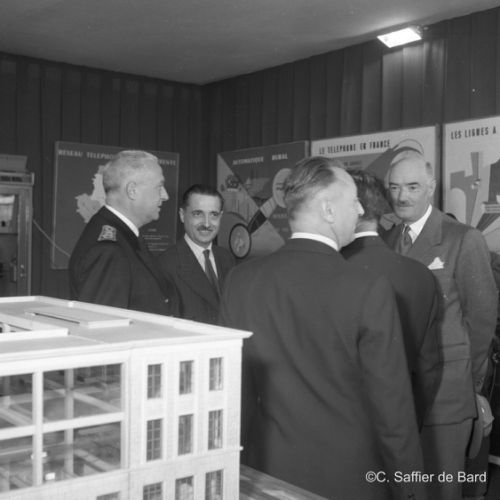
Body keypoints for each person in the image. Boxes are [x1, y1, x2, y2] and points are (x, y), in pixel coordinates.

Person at [220, 157, 426, 500]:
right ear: (329, 210)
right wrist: (411, 492)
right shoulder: (367, 288)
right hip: (346, 481)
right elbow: (393, 412)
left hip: (262, 475)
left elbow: (231, 393)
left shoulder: (240, 281)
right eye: (353, 200)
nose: (360, 209)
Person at [382, 150, 498, 500]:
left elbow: (481, 320)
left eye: (412, 187)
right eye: (395, 187)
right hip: (397, 397)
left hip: (446, 397)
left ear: (431, 187)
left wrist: (469, 384)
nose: (402, 196)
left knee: (442, 490)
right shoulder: (386, 242)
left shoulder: (462, 238)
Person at [341, 168, 441, 429]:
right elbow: (428, 366)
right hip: (402, 423)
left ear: (353, 209)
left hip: (341, 428)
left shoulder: (331, 270)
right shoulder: (420, 274)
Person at [69, 150, 179, 316]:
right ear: (132, 190)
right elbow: (105, 325)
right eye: (159, 187)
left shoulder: (123, 236)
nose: (165, 196)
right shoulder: (109, 250)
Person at [158, 184, 235, 324]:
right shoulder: (165, 265)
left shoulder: (227, 258)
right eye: (198, 214)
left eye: (214, 215)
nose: (207, 223)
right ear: (182, 215)